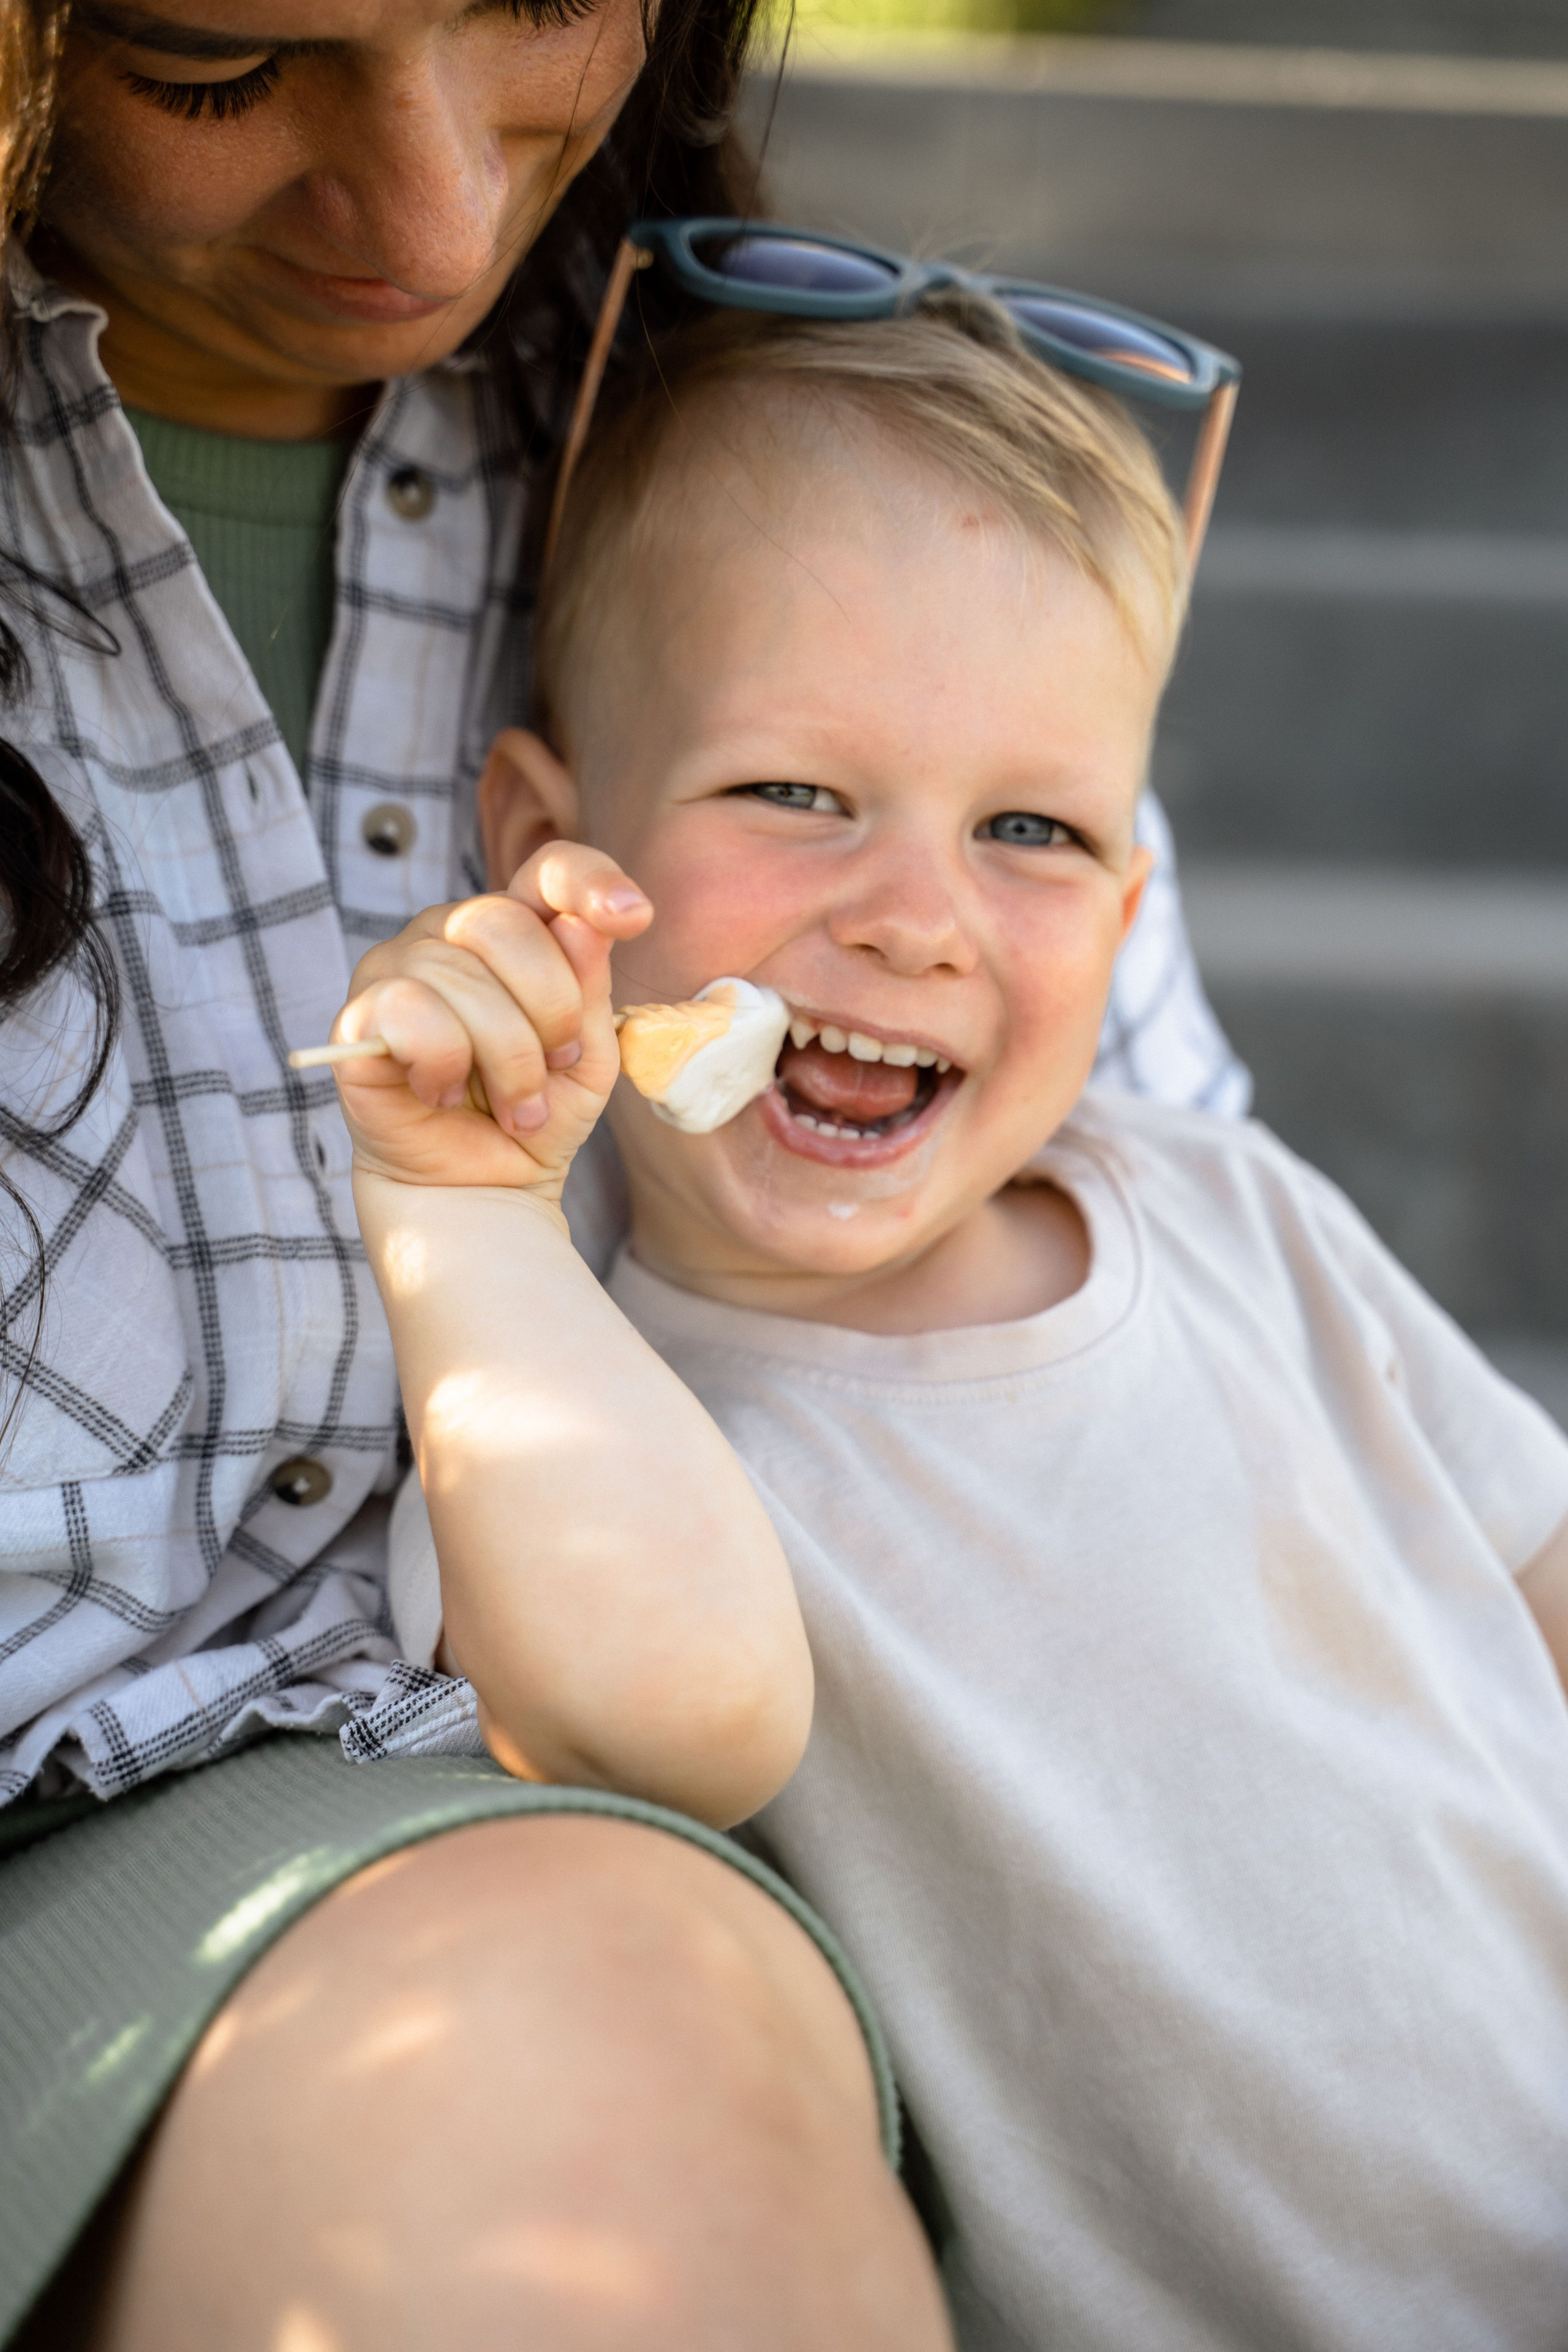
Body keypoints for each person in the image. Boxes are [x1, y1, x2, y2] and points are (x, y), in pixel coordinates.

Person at [351, 301, 1568, 2352]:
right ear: (548, 849)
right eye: (795, 789)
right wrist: (462, 1212)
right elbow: (663, 1709)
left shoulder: (1234, 1213)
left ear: (1129, 911)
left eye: (1033, 831)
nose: (915, 915)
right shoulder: (583, 1428)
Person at [0, 3, 970, 2344]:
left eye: (537, 2)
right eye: (215, 67)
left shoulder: (807, 449)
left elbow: (1189, 1268)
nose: (437, 223)